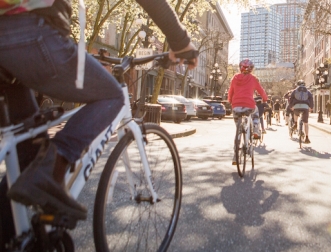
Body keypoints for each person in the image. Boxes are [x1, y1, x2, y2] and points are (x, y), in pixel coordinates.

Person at [0, 0, 199, 220]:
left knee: (27, 155)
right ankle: (51, 171)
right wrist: (180, 41)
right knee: (112, 95)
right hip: (27, 30)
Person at [227, 58, 268, 165]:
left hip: (236, 107)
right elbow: (261, 90)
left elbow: (230, 92)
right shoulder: (253, 78)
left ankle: (235, 156)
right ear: (251, 69)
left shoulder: (234, 78)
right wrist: (265, 98)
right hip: (249, 105)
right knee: (255, 113)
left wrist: (230, 101)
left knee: (238, 130)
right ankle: (255, 129)